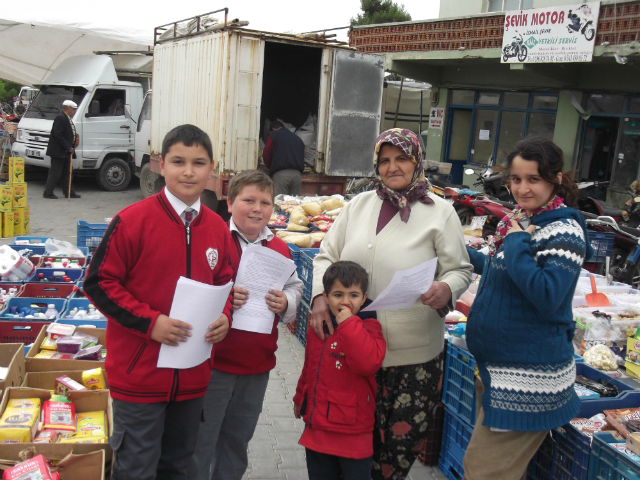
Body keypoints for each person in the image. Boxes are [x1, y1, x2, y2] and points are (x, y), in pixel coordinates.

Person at [309, 128, 473, 479]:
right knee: (351, 451)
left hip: (411, 360)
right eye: (384, 160)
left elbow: (461, 269)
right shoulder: (359, 205)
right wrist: (319, 297)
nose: (392, 167)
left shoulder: (440, 212)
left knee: (393, 458)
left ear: (417, 162)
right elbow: (326, 256)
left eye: (401, 159)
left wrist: (446, 287)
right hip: (354, 351)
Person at [84, 124, 235, 480]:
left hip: (193, 379)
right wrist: (151, 324)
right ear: (160, 166)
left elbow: (225, 281)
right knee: (135, 469)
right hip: (139, 380)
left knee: (179, 468)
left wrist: (225, 317)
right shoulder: (132, 221)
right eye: (178, 161)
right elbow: (99, 283)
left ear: (211, 168)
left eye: (198, 163)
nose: (188, 171)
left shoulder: (217, 228)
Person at [462, 137, 592, 480]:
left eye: (533, 179)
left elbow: (547, 294)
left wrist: (518, 242)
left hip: (527, 383)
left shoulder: (563, 230)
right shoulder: (521, 219)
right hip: (497, 373)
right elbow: (503, 271)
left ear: (555, 179)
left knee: (481, 472)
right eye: (516, 179)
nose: (522, 188)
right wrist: (454, 252)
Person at [190, 170, 303, 480]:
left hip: (256, 367)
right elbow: (192, 287)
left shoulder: (278, 248)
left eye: (265, 202)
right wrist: (222, 297)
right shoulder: (213, 239)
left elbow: (294, 286)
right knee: (201, 442)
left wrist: (287, 302)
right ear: (229, 203)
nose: (257, 208)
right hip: (214, 364)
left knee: (237, 441)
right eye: (248, 200)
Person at [294, 261, 386, 480]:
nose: (345, 301)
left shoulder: (370, 327)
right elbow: (310, 365)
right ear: (325, 297)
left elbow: (368, 363)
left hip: (354, 433)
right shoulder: (319, 325)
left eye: (353, 295)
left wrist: (349, 324)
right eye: (338, 295)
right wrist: (300, 395)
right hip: (318, 430)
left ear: (364, 298)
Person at [44, 99, 80, 199]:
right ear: (68, 109)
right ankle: (48, 192)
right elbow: (58, 134)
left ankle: (69, 192)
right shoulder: (60, 117)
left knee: (67, 172)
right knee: (55, 173)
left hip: (66, 151)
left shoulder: (66, 118)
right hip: (59, 151)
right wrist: (68, 147)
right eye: (73, 109)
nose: (74, 111)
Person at [262, 120, 305, 196]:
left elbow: (266, 154)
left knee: (280, 202)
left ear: (273, 129)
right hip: (297, 176)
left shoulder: (273, 135)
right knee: (295, 204)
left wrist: (270, 167)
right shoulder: (298, 139)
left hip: (281, 175)